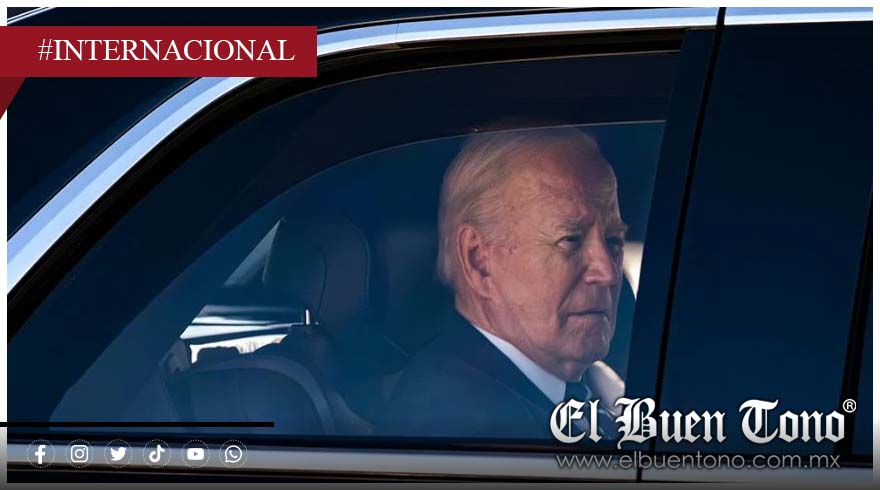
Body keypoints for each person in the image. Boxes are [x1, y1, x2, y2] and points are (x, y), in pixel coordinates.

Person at [381, 126, 627, 439]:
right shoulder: (461, 428)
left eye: (614, 241)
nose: (608, 273)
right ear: (479, 261)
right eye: (570, 240)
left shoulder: (589, 390)